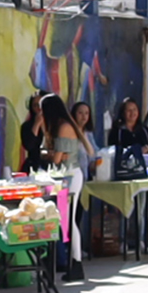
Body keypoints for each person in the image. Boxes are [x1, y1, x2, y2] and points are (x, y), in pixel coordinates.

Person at [40, 93, 86, 282]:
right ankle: (72, 261)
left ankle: (76, 261)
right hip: (64, 177)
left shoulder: (63, 127)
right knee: (65, 222)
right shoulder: (60, 126)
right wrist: (50, 154)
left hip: (70, 176)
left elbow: (55, 157)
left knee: (68, 222)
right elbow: (48, 153)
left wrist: (50, 154)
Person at [19, 93, 46, 173]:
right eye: (35, 105)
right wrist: (36, 124)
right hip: (34, 166)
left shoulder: (56, 125)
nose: (39, 108)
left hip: (52, 166)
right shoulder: (27, 126)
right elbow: (29, 145)